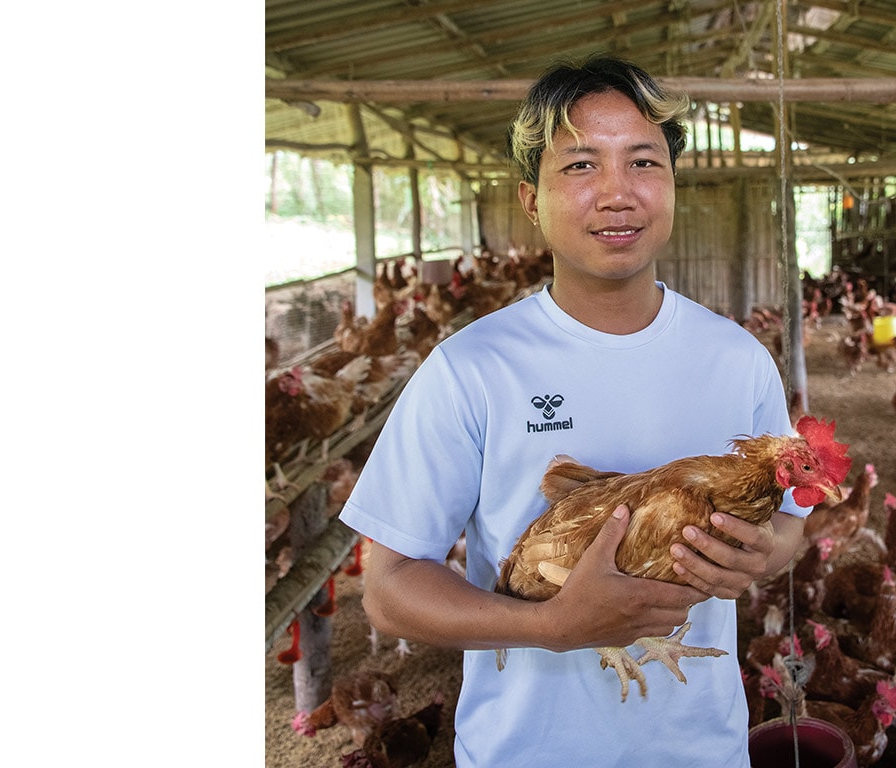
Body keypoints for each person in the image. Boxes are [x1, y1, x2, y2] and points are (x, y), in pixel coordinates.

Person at [340, 54, 811, 768]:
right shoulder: (472, 368)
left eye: (644, 163)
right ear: (531, 198)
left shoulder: (737, 359)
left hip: (701, 750)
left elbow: (789, 532)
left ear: (673, 184)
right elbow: (391, 587)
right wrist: (554, 625)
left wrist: (753, 558)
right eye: (582, 166)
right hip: (527, 752)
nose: (618, 194)